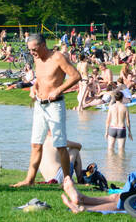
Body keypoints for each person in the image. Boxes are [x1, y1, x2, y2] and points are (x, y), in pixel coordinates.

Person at [12, 34, 83, 188]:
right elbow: (40, 78)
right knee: (36, 144)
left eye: (34, 49)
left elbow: (76, 76)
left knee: (60, 144)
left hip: (55, 105)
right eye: (30, 50)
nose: (32, 53)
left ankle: (66, 180)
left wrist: (58, 90)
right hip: (39, 105)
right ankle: (29, 180)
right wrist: (33, 88)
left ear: (43, 45)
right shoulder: (37, 59)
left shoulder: (58, 58)